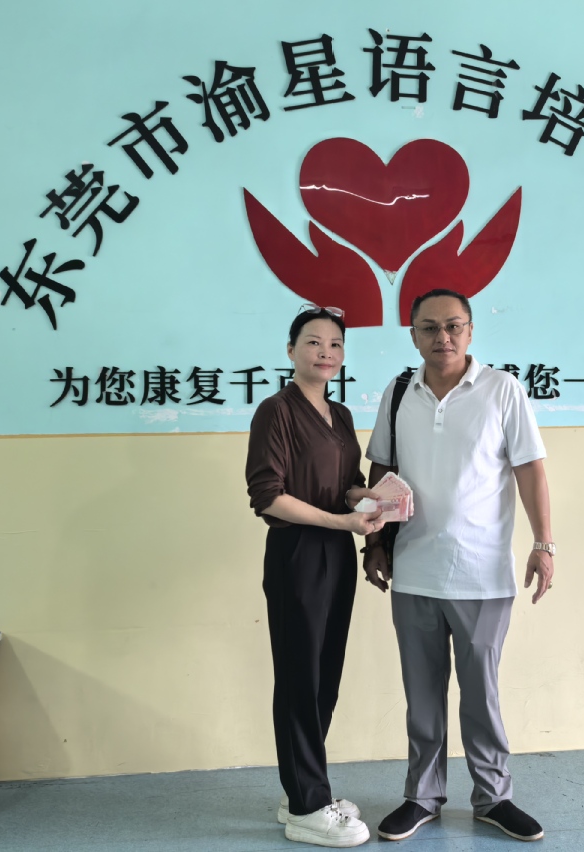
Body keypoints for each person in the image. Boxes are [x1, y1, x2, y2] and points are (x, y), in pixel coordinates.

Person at [362, 288, 557, 843]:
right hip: (413, 569)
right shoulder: (398, 393)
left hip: (482, 574)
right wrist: (374, 545)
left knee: (481, 696)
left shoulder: (502, 389)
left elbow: (530, 469)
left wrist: (544, 544)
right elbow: (382, 470)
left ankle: (494, 797)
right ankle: (422, 797)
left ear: (471, 331)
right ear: (413, 335)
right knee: (422, 696)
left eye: (453, 326)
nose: (442, 337)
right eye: (429, 328)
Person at [246, 305, 384, 848]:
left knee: (325, 675)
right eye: (313, 342)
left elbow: (345, 483)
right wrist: (340, 521)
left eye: (335, 344)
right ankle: (307, 807)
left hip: (337, 553)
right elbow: (267, 495)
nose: (326, 352)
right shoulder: (275, 411)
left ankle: (301, 788)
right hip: (297, 551)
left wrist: (368, 498)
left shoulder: (340, 415)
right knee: (299, 676)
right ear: (291, 351)